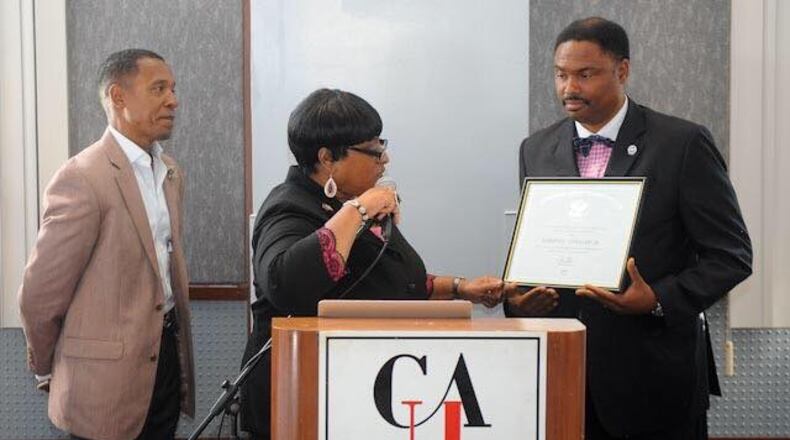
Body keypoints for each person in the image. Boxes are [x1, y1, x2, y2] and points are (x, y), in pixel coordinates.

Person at [239, 88, 553, 439]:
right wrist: (359, 210)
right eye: (373, 150)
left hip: (362, 390)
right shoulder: (290, 206)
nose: (384, 159)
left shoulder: (352, 205)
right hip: (303, 394)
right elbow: (286, 285)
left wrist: (464, 289)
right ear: (327, 157)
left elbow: (396, 280)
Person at [510, 17, 753, 440]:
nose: (569, 88)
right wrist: (520, 300)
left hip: (653, 380)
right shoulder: (536, 149)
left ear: (622, 70)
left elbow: (730, 257)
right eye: (561, 74)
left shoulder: (681, 144)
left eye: (586, 75)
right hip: (562, 379)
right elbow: (538, 246)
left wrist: (658, 298)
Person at [18, 49, 195, 439]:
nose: (173, 100)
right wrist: (49, 365)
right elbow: (40, 293)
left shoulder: (170, 172)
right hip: (101, 380)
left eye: (173, 89)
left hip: (164, 360)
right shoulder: (83, 177)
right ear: (118, 97)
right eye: (159, 88)